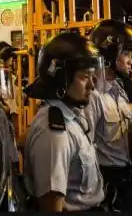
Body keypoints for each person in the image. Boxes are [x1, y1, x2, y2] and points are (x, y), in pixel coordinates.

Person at [23, 30, 105, 212]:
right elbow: (52, 206)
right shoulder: (54, 133)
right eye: (84, 77)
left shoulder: (73, 118)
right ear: (61, 79)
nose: (92, 85)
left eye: (93, 77)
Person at [84, 20, 132, 211]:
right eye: (126, 53)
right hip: (106, 185)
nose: (131, 61)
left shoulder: (120, 91)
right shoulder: (93, 96)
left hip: (125, 179)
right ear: (108, 54)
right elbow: (84, 150)